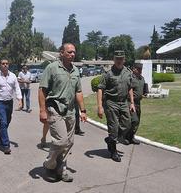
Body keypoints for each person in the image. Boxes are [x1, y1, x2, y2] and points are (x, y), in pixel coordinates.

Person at [38, 43, 87, 182]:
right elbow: (42, 90)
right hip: (55, 109)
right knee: (61, 142)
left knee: (69, 143)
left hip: (70, 111)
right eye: (69, 52)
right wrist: (42, 111)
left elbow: (78, 91)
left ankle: (61, 169)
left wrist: (83, 110)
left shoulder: (76, 71)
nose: (72, 54)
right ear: (61, 53)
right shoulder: (52, 68)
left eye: (74, 52)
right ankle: (49, 163)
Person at [97, 50, 135, 162]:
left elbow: (130, 88)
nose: (119, 61)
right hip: (111, 103)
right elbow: (100, 89)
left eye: (121, 59)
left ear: (124, 59)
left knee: (127, 124)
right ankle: (113, 151)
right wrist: (100, 106)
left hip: (124, 102)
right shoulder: (108, 74)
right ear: (114, 59)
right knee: (113, 127)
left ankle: (110, 139)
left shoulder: (128, 72)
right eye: (117, 59)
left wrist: (132, 102)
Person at [0, 59, 22, 155]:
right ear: (0, 65)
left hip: (9, 102)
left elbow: (17, 88)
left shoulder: (13, 76)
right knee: (3, 121)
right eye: (3, 64)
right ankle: (6, 145)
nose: (5, 65)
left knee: (7, 121)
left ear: (9, 65)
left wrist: (20, 99)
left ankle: (2, 134)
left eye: (7, 63)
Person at [126, 63, 147, 145]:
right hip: (130, 102)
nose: (140, 71)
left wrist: (144, 93)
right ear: (134, 69)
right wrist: (131, 102)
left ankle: (131, 137)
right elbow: (128, 89)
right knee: (134, 120)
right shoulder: (130, 78)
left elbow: (143, 89)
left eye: (141, 69)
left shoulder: (142, 79)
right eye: (138, 69)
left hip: (138, 103)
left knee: (137, 121)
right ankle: (126, 136)